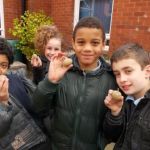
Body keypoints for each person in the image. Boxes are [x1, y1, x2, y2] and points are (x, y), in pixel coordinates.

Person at [31, 16, 118, 150]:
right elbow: (38, 109)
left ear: (103, 43)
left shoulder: (112, 78)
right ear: (73, 43)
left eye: (94, 43)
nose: (87, 48)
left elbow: (114, 130)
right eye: (81, 42)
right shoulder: (59, 69)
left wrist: (103, 138)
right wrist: (50, 82)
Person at [0, 37, 51, 149]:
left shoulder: (16, 78)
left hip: (43, 139)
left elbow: (38, 95)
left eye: (3, 65)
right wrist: (3, 103)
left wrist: (37, 70)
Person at [103, 43, 150, 150]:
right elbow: (112, 137)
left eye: (128, 71)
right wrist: (115, 113)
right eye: (117, 74)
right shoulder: (122, 102)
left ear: (147, 72)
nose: (122, 79)